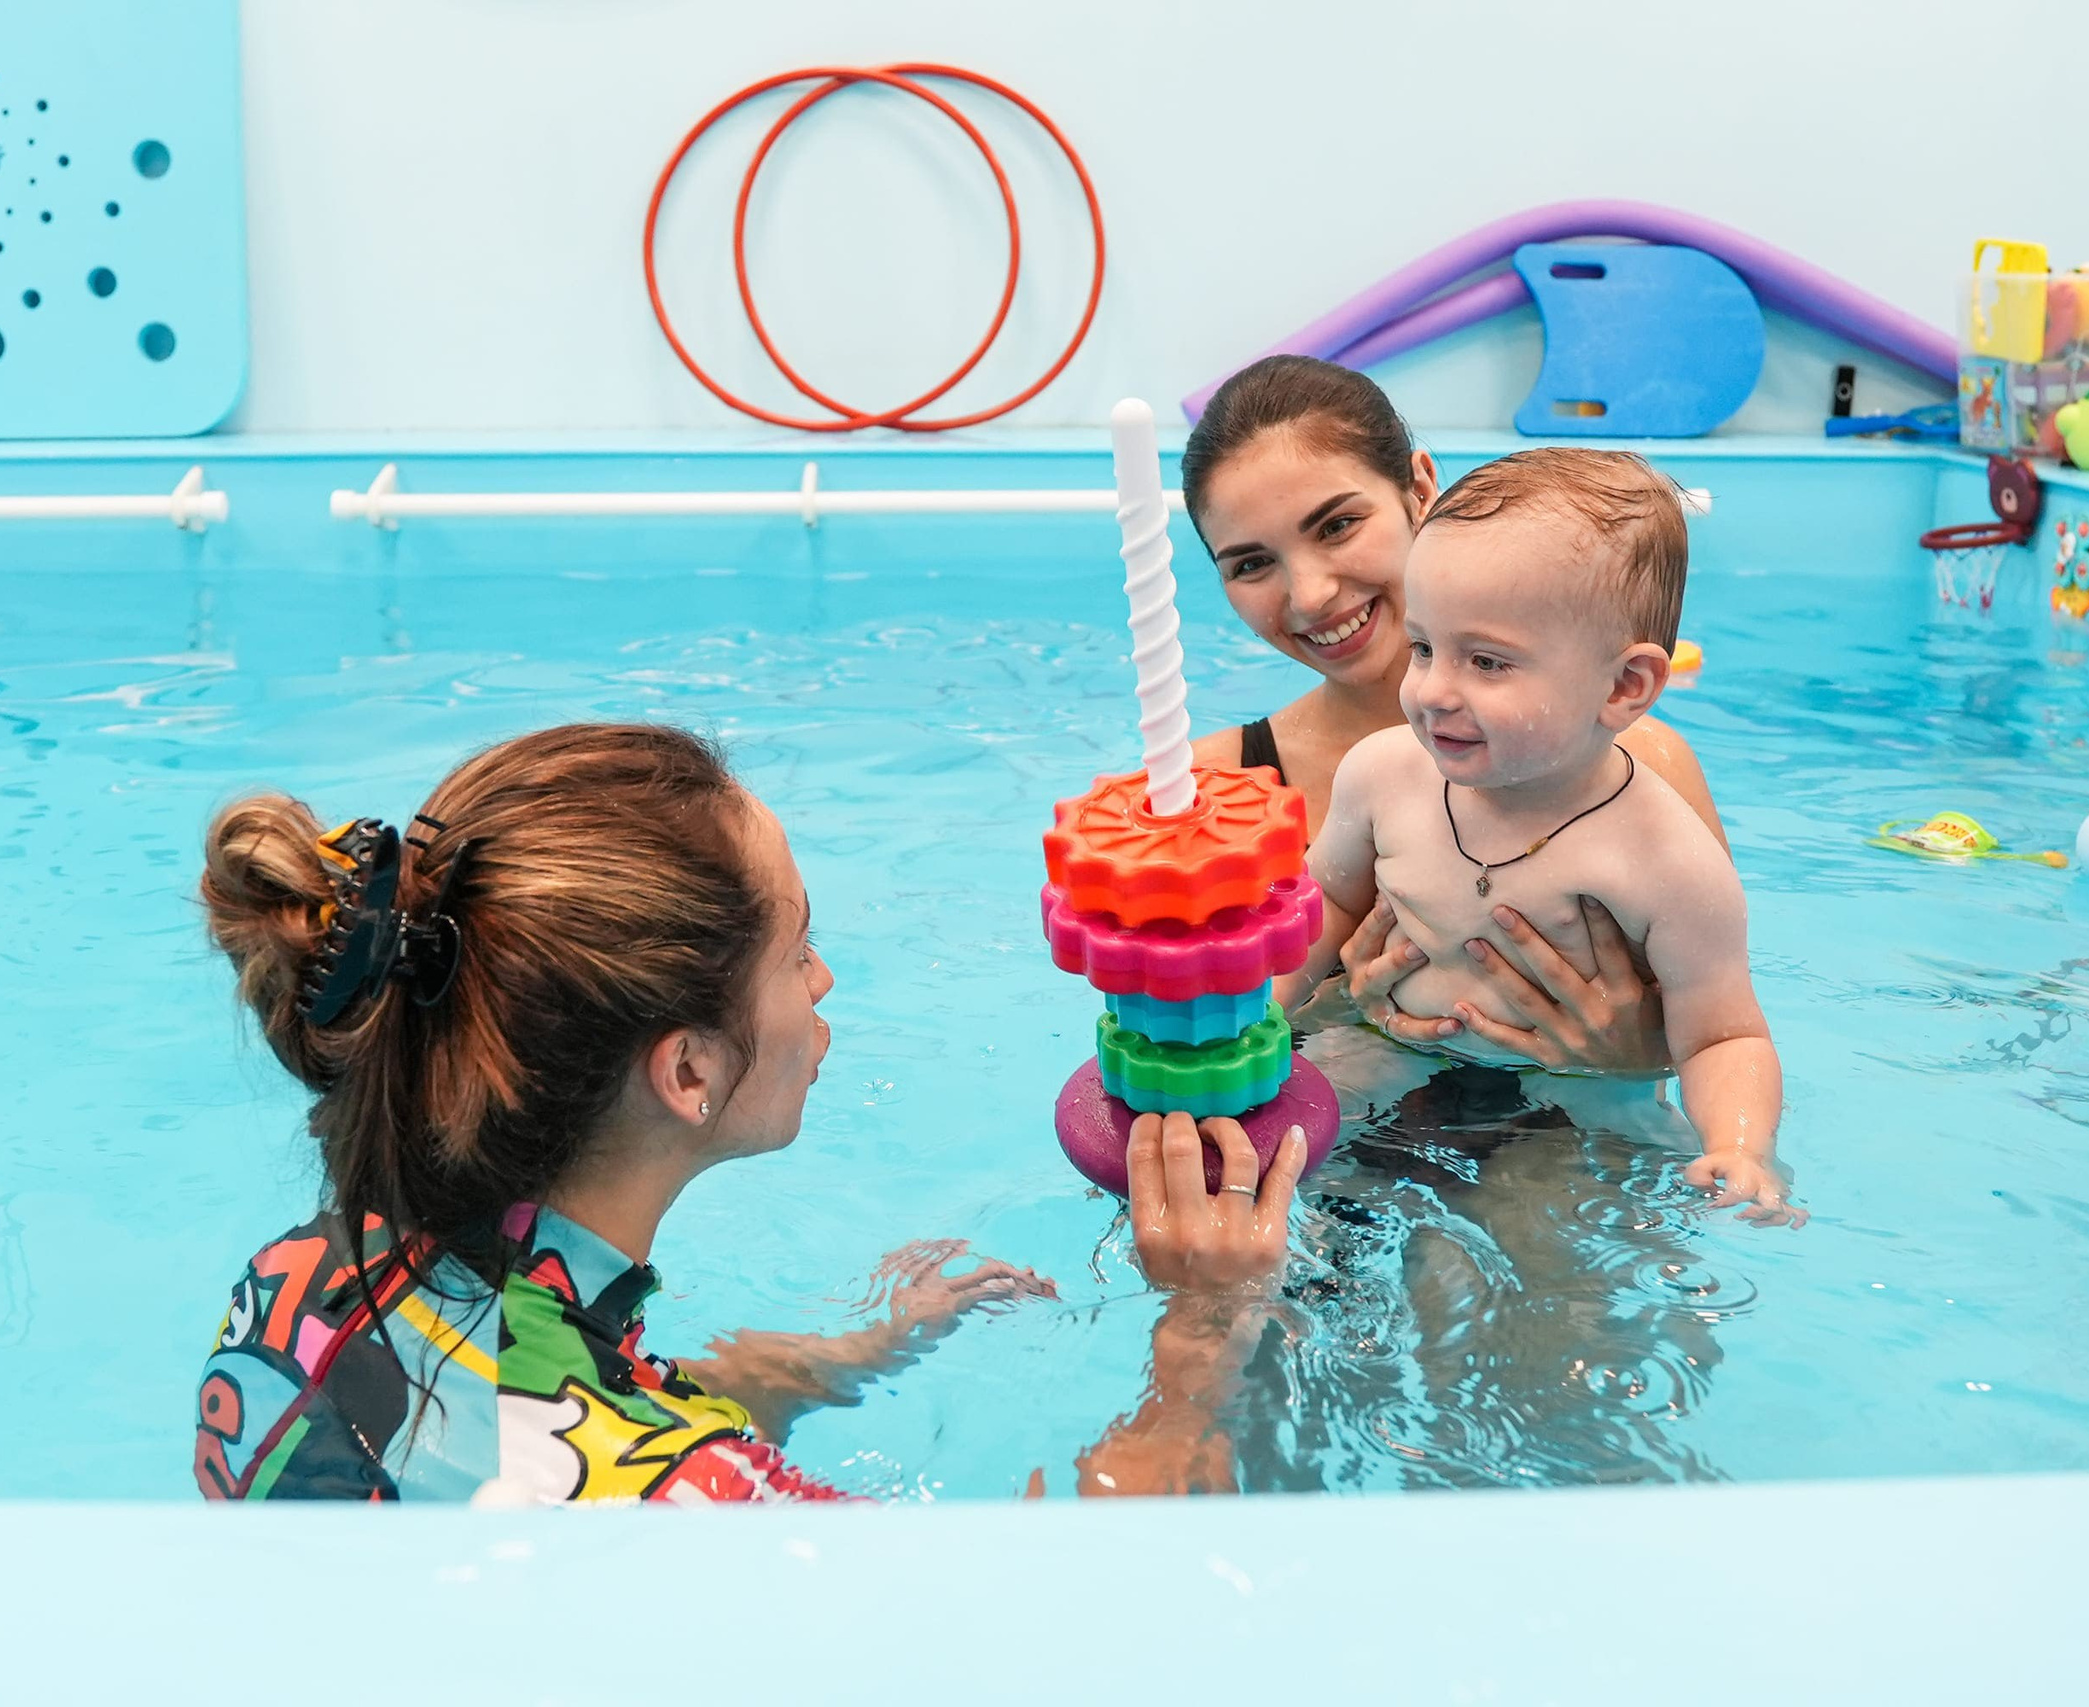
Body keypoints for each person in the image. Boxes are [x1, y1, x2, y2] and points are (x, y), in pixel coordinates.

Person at [191, 723, 1302, 1504]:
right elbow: (1040, 1639)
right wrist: (1203, 1339)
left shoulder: (303, 1276)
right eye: (796, 950)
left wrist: (851, 1355)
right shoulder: (708, 1520)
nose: (821, 984)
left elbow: (549, 1414)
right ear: (689, 1074)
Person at [1278, 448, 1796, 1226]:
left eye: (1486, 661)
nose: (1430, 691)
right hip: (1389, 1049)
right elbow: (1317, 913)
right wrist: (1251, 1021)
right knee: (1271, 1169)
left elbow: (1724, 1036)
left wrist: (1739, 1145)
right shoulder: (1383, 777)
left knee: (1550, 1270)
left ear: (1625, 686)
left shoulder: (1666, 862)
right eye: (1424, 647)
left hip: (1572, 1096)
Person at [1183, 355, 1727, 1073]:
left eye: (1338, 524)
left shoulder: (1642, 767)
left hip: (1573, 1148)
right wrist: (1343, 1005)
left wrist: (1631, 1053)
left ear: (1419, 490)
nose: (1310, 595)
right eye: (1250, 564)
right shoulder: (1213, 790)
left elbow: (1719, 1029)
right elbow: (1199, 1039)